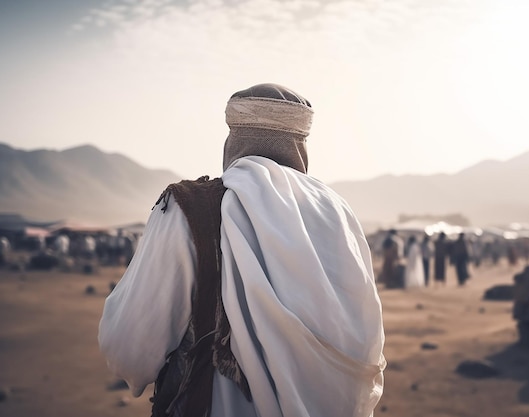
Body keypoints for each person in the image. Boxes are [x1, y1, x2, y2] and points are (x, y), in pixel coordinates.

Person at [98, 84, 386, 417]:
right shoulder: (339, 216)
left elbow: (129, 347)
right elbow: (365, 346)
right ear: (302, 145)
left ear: (232, 137)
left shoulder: (191, 209)